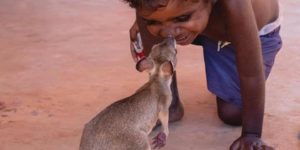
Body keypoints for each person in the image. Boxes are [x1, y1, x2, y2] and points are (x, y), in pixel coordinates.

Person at [123, 0, 282, 149]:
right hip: (205, 24)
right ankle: (169, 105)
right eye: (154, 21)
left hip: (245, 33)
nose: (168, 33)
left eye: (182, 17)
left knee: (232, 114)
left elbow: (251, 74)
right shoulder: (179, 17)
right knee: (153, 8)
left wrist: (251, 134)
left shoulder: (236, 6)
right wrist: (145, 18)